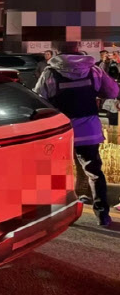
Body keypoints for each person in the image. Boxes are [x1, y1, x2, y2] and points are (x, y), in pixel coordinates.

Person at [34, 42, 119, 226]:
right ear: (77, 49)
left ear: (57, 51)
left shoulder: (50, 73)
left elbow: (39, 99)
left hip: (62, 132)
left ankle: (60, 214)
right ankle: (102, 215)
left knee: (57, 173)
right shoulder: (94, 70)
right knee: (94, 172)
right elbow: (113, 91)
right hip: (88, 131)